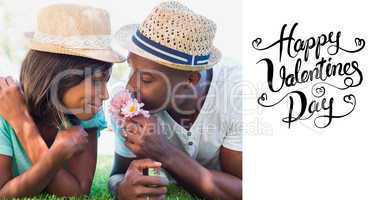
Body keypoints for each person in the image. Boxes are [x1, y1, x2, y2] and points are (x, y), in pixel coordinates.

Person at [108, 2, 243, 200]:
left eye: (146, 79)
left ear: (191, 79)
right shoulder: (128, 104)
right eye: (131, 69)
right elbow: (118, 175)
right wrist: (121, 188)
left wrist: (164, 152)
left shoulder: (235, 94)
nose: (130, 87)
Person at [0, 4, 124, 198]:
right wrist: (20, 121)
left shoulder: (86, 113)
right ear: (57, 74)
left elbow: (77, 193)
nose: (105, 95)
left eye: (106, 81)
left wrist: (33, 137)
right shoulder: (5, 106)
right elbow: (3, 192)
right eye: (96, 81)